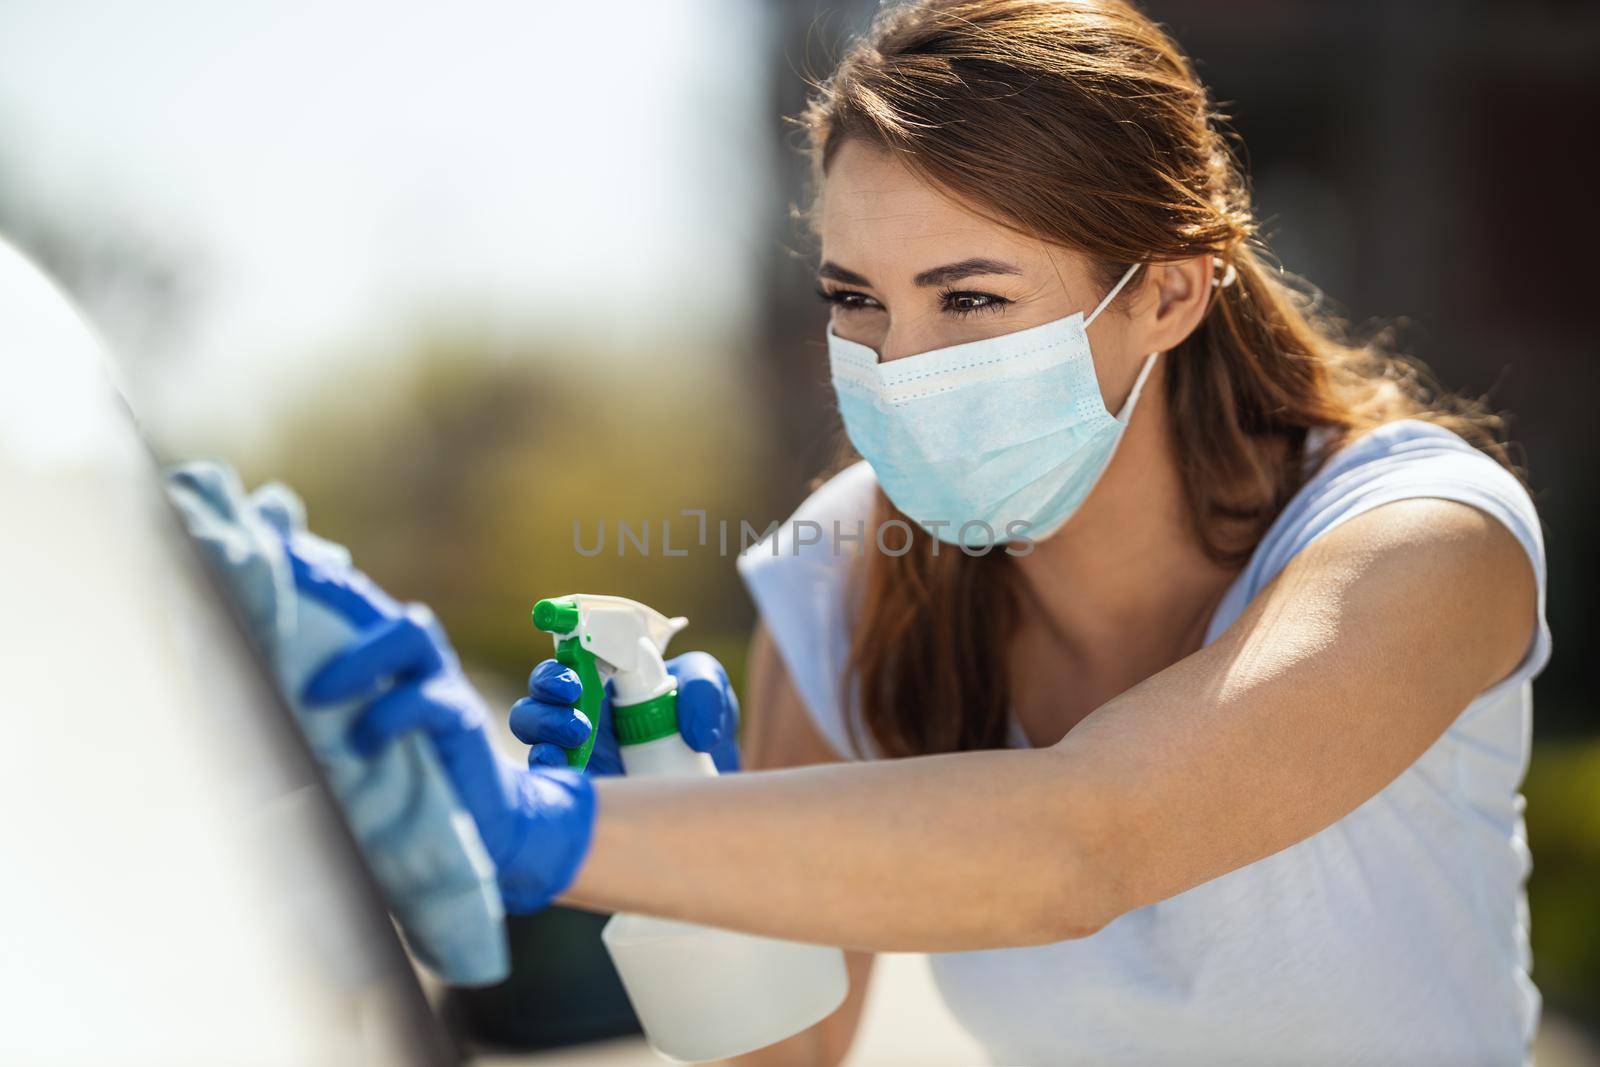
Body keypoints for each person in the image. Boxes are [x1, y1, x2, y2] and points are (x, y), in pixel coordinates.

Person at [290, 1, 1550, 1063]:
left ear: (1167, 291)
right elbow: (785, 1054)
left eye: (970, 298)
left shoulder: (1419, 540)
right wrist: (683, 850)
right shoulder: (840, 580)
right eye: (858, 299)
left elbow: (1083, 844)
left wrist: (544, 829)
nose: (896, 366)